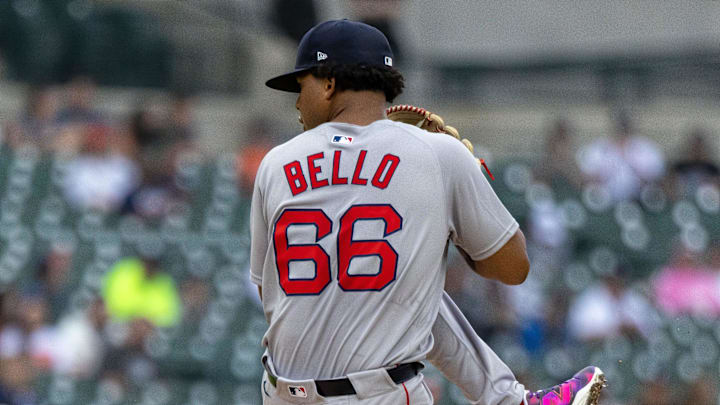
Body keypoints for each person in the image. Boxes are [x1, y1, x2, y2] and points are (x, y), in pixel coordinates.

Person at [251, 19, 604, 405]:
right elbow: (513, 268)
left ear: (329, 83)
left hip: (283, 393)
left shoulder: (275, 163)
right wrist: (458, 198)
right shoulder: (435, 154)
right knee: (413, 286)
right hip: (379, 394)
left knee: (408, 288)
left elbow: (267, 290)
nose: (298, 102)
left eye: (302, 87)